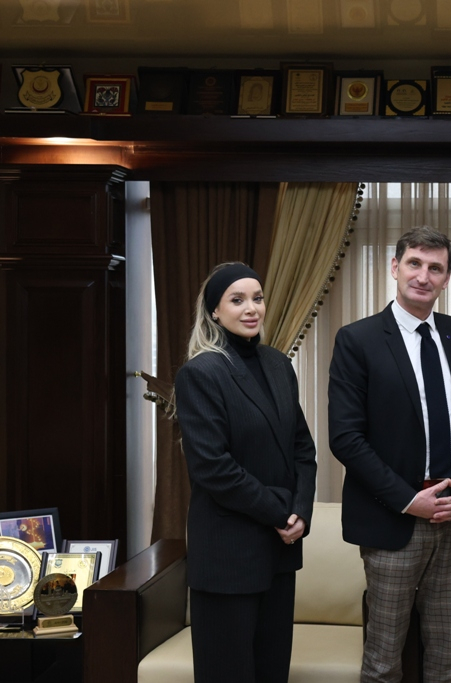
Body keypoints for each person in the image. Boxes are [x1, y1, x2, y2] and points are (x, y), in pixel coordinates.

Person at [328, 226, 451, 683]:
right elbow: (346, 438)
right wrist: (407, 499)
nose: (423, 276)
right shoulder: (357, 340)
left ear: (447, 278)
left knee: (448, 658)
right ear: (394, 267)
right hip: (392, 521)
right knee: (383, 662)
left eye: (435, 268)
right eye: (414, 263)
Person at [174, 262, 317, 683]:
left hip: (279, 553)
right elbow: (213, 468)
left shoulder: (278, 364)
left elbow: (302, 448)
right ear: (214, 311)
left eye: (257, 298)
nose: (251, 308)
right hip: (228, 556)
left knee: (273, 672)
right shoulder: (200, 373)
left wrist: (301, 511)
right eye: (237, 300)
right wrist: (281, 513)